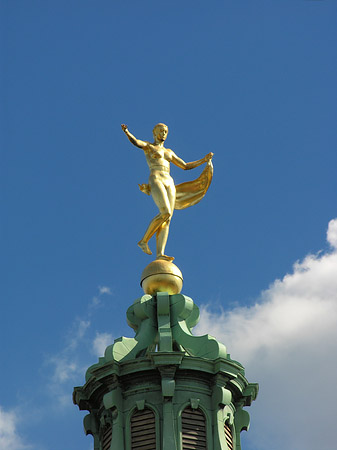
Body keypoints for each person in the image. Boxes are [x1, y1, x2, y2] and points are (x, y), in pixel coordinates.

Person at [121, 123, 213, 261]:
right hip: (156, 177)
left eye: (166, 131)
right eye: (161, 131)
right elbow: (137, 142)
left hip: (169, 181)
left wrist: (203, 160)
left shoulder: (169, 152)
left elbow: (185, 166)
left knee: (168, 219)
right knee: (165, 212)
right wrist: (127, 132)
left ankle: (160, 254)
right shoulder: (149, 147)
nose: (163, 133)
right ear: (154, 132)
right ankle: (144, 241)